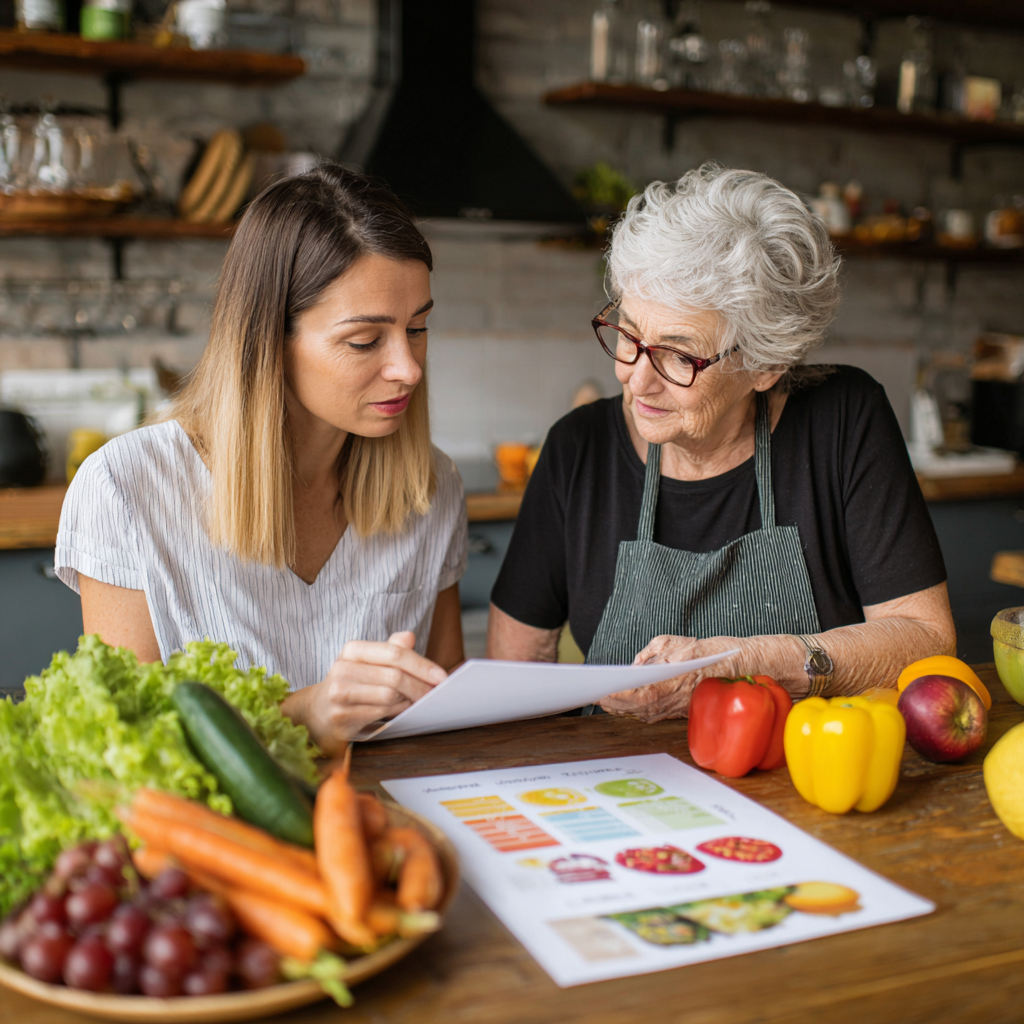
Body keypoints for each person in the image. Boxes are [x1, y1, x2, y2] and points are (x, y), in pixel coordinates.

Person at [487, 163, 954, 719]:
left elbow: (927, 639)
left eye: (679, 355)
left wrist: (745, 662)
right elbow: (511, 680)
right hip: (623, 785)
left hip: (805, 777)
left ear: (765, 364)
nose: (636, 379)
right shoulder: (578, 450)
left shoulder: (842, 419)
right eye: (629, 336)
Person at [55, 165, 468, 753]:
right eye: (364, 341)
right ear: (268, 338)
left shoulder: (432, 484)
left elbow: (445, 701)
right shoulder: (125, 488)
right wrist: (309, 713)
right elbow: (130, 743)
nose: (408, 368)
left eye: (418, 327)